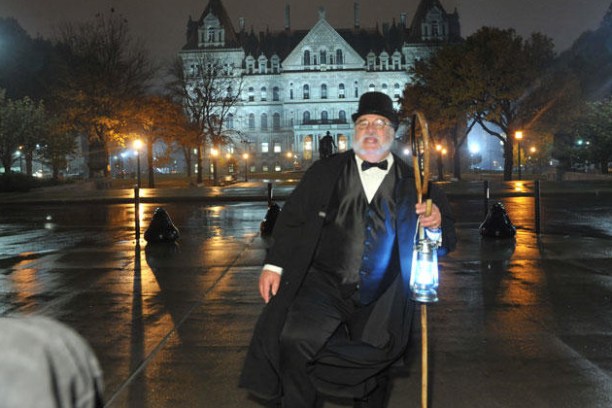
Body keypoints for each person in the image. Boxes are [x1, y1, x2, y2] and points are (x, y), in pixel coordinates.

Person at [240, 92, 456, 407]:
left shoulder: (415, 182)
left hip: (382, 294)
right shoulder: (324, 172)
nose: (371, 130)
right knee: (293, 340)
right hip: (324, 284)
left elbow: (446, 237)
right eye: (364, 123)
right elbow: (292, 220)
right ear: (354, 131)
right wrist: (274, 265)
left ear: (392, 133)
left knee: (374, 369)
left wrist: (435, 225)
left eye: (380, 124)